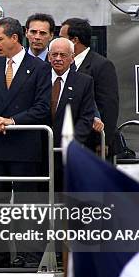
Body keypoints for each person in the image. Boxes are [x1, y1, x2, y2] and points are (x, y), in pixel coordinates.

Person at [0, 17, 51, 267]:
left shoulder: (40, 68)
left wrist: (11, 121)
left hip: (24, 146)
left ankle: (29, 255)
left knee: (26, 202)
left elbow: (41, 108)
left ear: (14, 39)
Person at [60, 18, 119, 157]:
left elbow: (109, 106)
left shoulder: (101, 65)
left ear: (74, 40)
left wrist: (103, 141)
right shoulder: (61, 65)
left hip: (91, 142)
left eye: (62, 38)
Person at [48, 37, 96, 190]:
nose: (58, 59)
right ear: (49, 56)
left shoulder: (84, 82)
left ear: (72, 57)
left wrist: (73, 141)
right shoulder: (38, 78)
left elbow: (86, 116)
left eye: (63, 55)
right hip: (40, 151)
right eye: (54, 55)